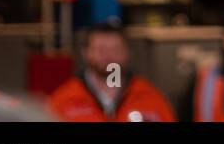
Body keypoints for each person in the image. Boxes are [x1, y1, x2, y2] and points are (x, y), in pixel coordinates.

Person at [47, 23, 175, 122]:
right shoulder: (63, 101)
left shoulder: (151, 98)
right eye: (101, 50)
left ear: (127, 52)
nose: (109, 56)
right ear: (86, 53)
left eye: (115, 49)